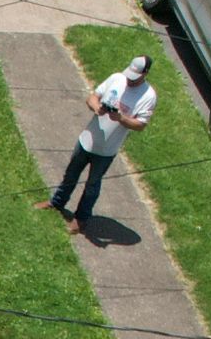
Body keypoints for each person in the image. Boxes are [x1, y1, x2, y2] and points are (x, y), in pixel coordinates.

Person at [42, 56, 155, 237]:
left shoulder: (148, 96)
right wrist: (97, 108)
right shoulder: (117, 78)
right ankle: (56, 202)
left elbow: (141, 125)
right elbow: (92, 98)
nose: (130, 80)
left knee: (92, 184)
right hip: (87, 139)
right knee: (71, 173)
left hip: (106, 150)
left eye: (135, 77)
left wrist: (122, 119)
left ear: (145, 74)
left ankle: (81, 218)